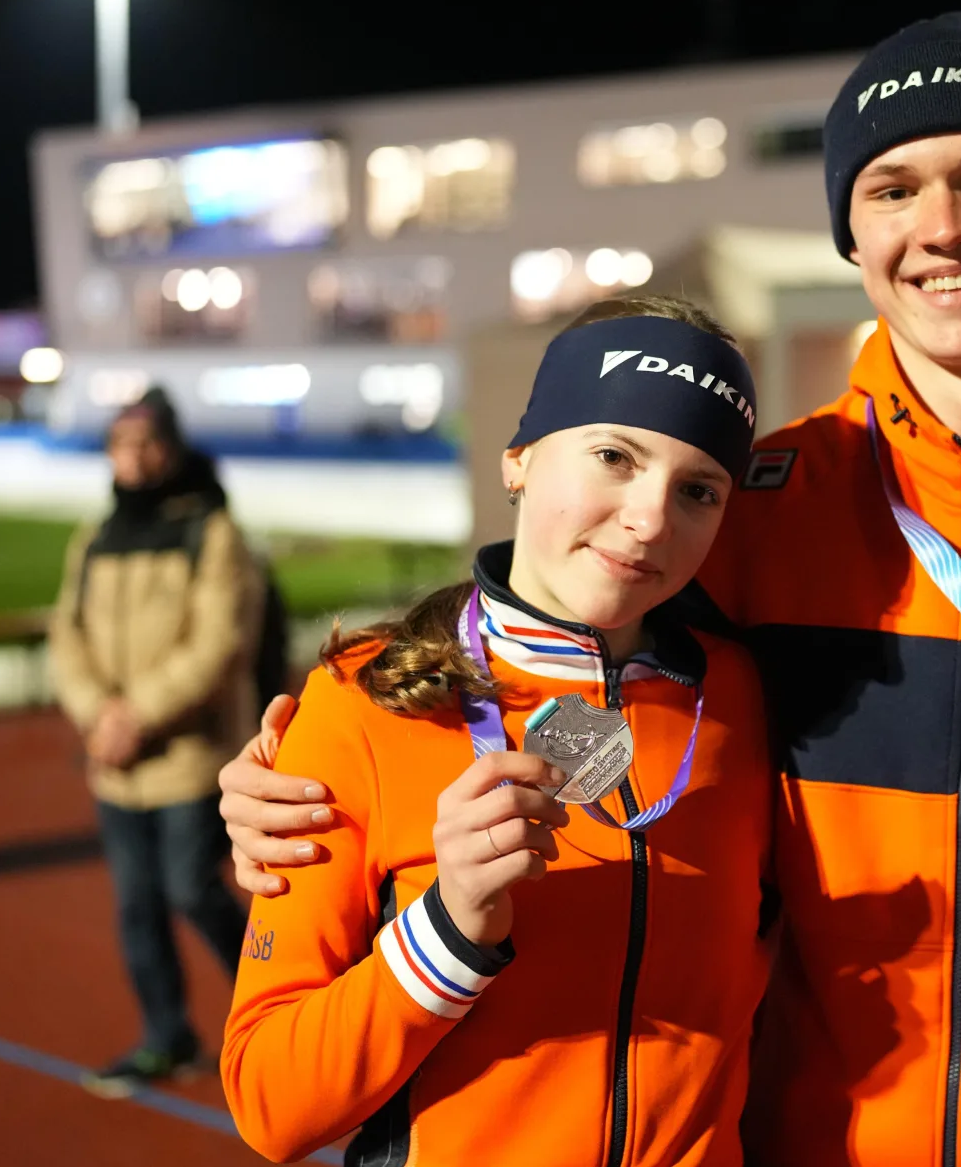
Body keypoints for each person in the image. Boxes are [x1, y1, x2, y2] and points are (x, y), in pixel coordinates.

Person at [222, 13, 961, 1165]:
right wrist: (309, 781)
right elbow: (566, 648)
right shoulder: (755, 502)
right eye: (891, 189)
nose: (941, 227)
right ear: (850, 233)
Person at [220, 297, 774, 1166]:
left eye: (698, 489)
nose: (650, 520)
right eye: (614, 457)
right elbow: (270, 1102)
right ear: (519, 459)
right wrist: (449, 927)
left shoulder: (740, 696)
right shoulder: (361, 704)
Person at [49, 388, 263, 1098]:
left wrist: (136, 715)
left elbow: (218, 642)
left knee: (191, 888)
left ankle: (274, 1005)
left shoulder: (212, 530)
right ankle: (166, 1036)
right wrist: (98, 715)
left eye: (145, 444)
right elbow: (67, 634)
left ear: (170, 449)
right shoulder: (94, 536)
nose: (132, 458)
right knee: (136, 906)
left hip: (189, 756)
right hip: (115, 760)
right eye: (120, 444)